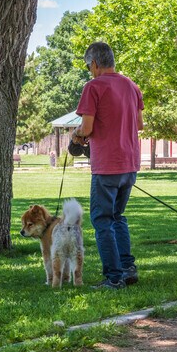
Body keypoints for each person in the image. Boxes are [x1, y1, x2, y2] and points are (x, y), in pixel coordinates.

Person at [72, 42, 144, 290]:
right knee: (117, 217)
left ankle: (114, 278)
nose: (89, 71)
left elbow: (87, 127)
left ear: (94, 63)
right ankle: (127, 267)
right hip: (130, 163)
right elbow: (140, 124)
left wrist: (76, 135)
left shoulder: (93, 87)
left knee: (102, 219)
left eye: (88, 66)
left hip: (107, 166)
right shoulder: (131, 86)